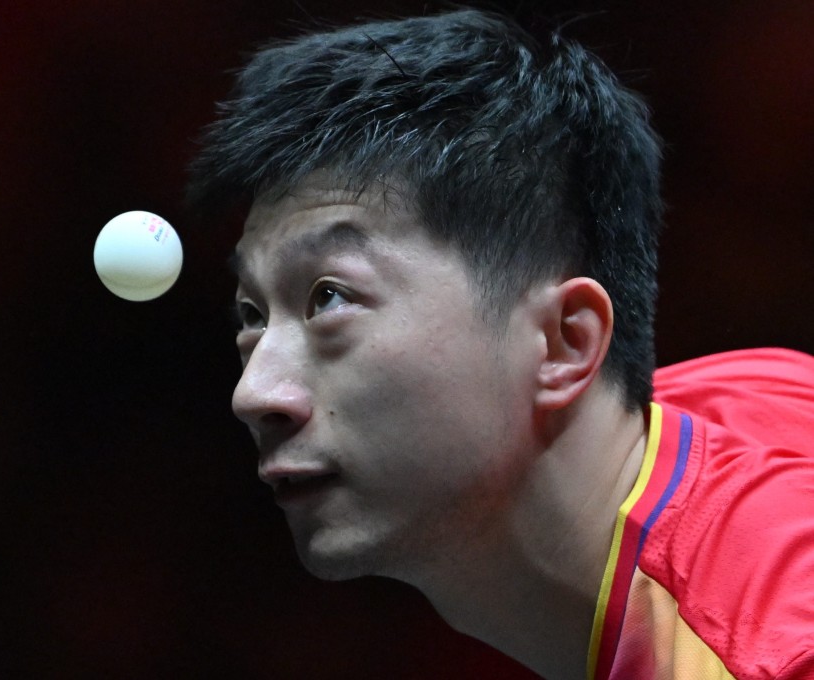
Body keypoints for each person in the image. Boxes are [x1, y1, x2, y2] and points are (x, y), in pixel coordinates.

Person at [185, 8, 814, 679]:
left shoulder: (766, 650)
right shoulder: (749, 400)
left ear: (564, 344)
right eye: (252, 312)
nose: (253, 394)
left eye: (329, 297)